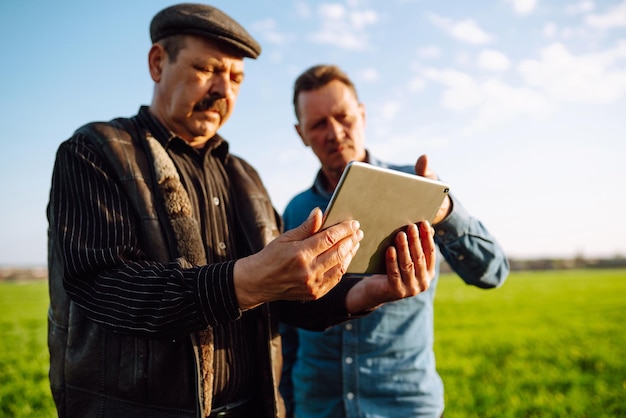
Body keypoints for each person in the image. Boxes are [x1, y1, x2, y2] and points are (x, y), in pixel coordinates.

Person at [46, 5, 440, 418]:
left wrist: (368, 292)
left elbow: (279, 296)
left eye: (235, 78)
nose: (223, 90)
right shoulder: (94, 152)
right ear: (158, 63)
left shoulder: (244, 175)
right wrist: (245, 280)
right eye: (206, 69)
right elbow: (105, 286)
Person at [279, 64, 510, 418]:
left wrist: (443, 209)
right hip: (317, 406)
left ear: (363, 114)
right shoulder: (295, 212)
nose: (335, 132)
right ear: (300, 133)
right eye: (318, 124)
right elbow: (287, 325)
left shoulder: (416, 186)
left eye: (343, 117)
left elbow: (493, 271)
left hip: (403, 404)